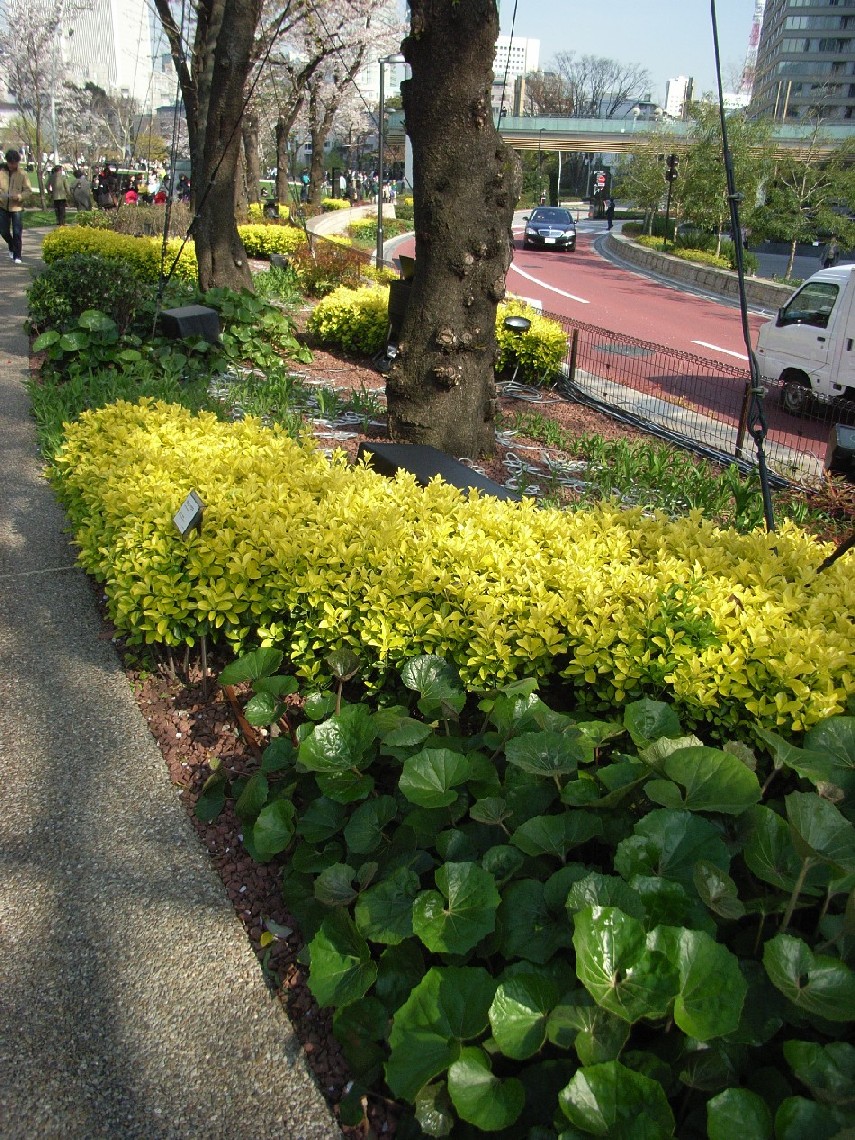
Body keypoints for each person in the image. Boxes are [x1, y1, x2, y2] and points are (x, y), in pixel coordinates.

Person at [0, 148, 32, 264]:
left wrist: (19, 196)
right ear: (8, 162)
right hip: (3, 206)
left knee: (17, 232)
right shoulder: (1, 172)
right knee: (3, 231)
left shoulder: (22, 174)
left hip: (16, 207)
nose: (14, 165)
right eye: (12, 163)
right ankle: (11, 244)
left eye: (16, 163)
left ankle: (17, 255)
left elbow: (28, 190)